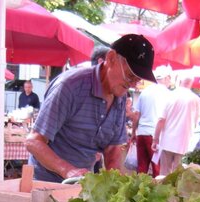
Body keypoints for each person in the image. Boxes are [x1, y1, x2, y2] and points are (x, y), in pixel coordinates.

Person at [26, 34, 157, 182]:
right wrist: (67, 171)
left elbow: (112, 150)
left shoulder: (120, 98)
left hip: (81, 184)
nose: (132, 84)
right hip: (45, 183)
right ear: (111, 58)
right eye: (130, 76)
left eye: (137, 80)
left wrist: (118, 187)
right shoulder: (70, 86)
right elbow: (33, 142)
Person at [153, 75, 200, 174]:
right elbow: (198, 123)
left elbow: (161, 120)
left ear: (179, 81)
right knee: (179, 176)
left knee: (164, 174)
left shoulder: (169, 96)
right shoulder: (196, 99)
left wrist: (156, 139)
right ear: (191, 83)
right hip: (185, 144)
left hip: (167, 142)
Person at [133, 66, 172, 177]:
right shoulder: (168, 94)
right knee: (157, 169)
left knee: (141, 168)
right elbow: (164, 119)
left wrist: (134, 132)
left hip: (141, 133)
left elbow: (136, 115)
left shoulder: (145, 92)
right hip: (155, 136)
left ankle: (139, 191)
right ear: (167, 78)